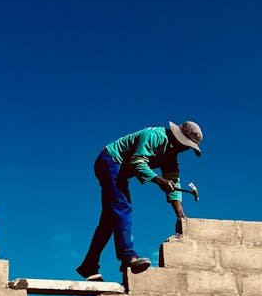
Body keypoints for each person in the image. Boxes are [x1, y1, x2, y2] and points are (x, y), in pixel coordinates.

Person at [76, 120, 203, 281]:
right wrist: (159, 181)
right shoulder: (155, 136)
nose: (186, 150)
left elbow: (173, 180)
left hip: (119, 168)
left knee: (110, 220)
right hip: (109, 160)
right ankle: (128, 257)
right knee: (122, 207)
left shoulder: (171, 154)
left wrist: (180, 215)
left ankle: (89, 265)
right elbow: (137, 162)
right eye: (187, 145)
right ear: (179, 138)